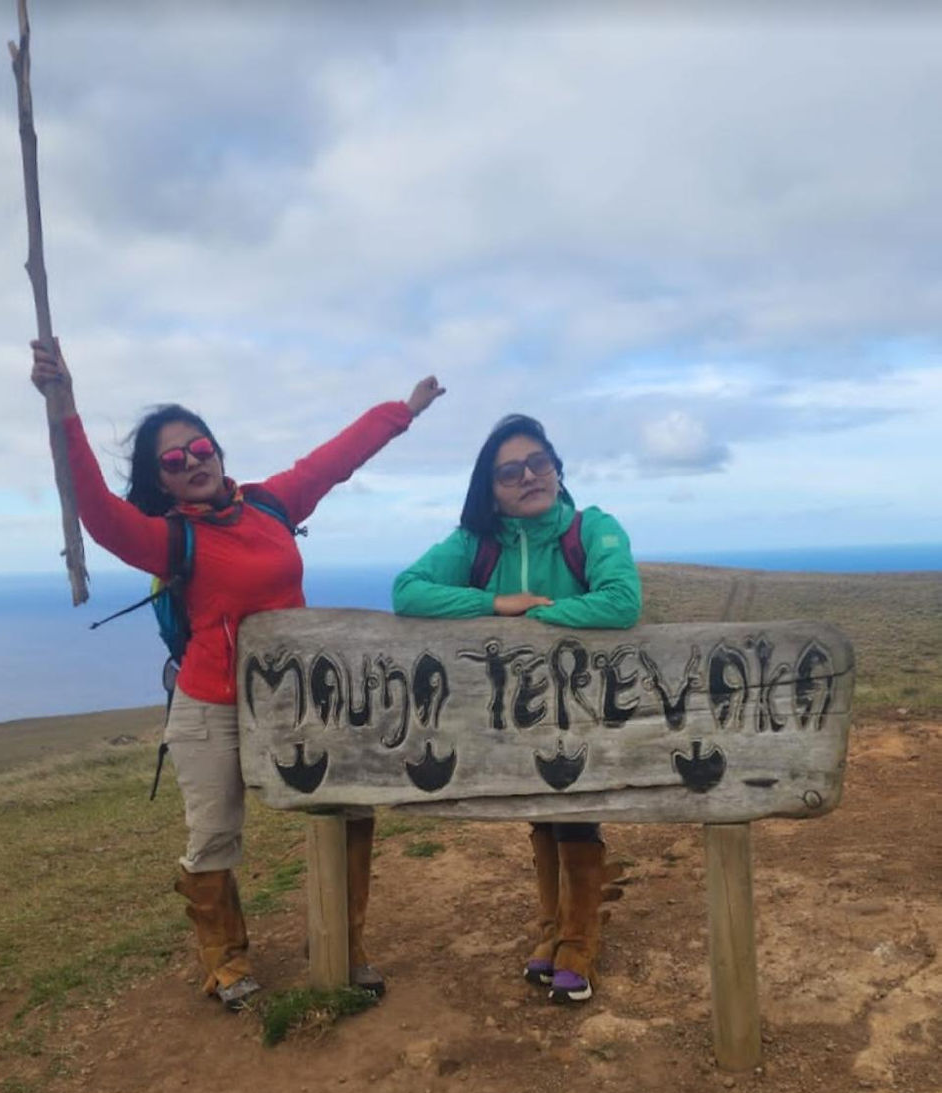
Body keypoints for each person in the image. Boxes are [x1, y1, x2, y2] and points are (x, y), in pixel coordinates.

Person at [31, 337, 444, 1008]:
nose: (192, 461)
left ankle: (343, 943)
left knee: (348, 810)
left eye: (201, 448)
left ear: (219, 453)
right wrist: (66, 408)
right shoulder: (172, 536)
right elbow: (100, 515)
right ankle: (225, 960)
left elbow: (333, 460)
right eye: (174, 459)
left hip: (301, 703)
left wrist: (403, 410)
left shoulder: (272, 504)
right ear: (161, 478)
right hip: (211, 703)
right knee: (215, 830)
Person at [392, 414, 641, 1004]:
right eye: (510, 471)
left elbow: (622, 601)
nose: (528, 476)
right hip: (515, 713)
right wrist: (494, 602)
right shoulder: (474, 544)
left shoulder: (592, 528)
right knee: (542, 811)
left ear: (556, 467)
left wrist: (534, 620)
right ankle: (555, 928)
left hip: (584, 706)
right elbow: (408, 590)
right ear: (491, 488)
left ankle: (578, 941)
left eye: (539, 463)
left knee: (575, 808)